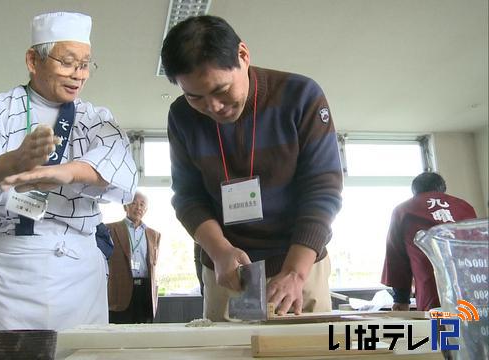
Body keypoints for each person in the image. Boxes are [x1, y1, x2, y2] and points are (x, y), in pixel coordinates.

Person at [0, 11, 137, 341]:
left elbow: (119, 164)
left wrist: (65, 172)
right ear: (33, 60)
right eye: (67, 62)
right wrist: (15, 160)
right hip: (8, 268)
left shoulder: (95, 117)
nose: (78, 74)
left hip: (78, 267)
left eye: (85, 64)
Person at [160, 15, 343, 320]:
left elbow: (322, 188)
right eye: (195, 97)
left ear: (243, 56)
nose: (213, 107)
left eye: (220, 90)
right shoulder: (181, 116)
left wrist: (296, 273)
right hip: (227, 269)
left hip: (299, 262)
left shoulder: (300, 95)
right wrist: (219, 251)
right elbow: (187, 197)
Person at [381, 172, 477, 311]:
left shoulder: (403, 210)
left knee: (441, 330)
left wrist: (401, 299)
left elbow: (396, 258)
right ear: (442, 188)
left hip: (431, 295)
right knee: (468, 329)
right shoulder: (465, 207)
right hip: (472, 293)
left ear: (415, 191)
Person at [106, 192, 161, 323]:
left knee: (143, 335)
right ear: (125, 207)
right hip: (120, 289)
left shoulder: (154, 234)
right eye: (134, 203)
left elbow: (153, 264)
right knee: (119, 332)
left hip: (145, 290)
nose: (138, 207)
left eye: (142, 204)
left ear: (146, 210)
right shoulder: (110, 229)